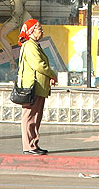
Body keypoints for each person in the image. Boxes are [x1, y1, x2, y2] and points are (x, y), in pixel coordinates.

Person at [17, 18, 57, 155]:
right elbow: (38, 64)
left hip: (38, 87)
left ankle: (33, 144)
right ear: (31, 31)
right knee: (29, 117)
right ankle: (28, 146)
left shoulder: (34, 45)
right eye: (39, 28)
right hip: (32, 87)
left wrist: (48, 77)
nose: (42, 30)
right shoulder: (29, 45)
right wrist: (52, 74)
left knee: (36, 117)